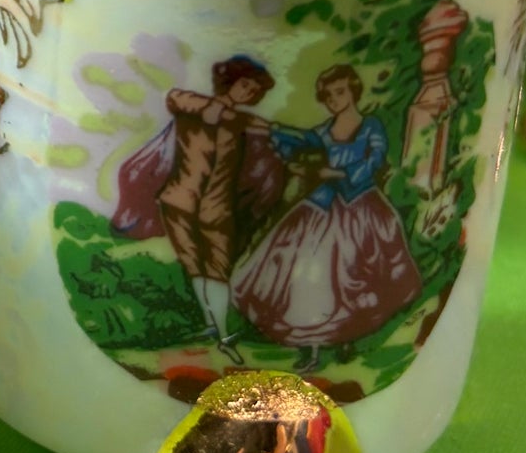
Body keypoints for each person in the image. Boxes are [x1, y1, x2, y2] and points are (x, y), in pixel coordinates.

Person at [230, 64, 423, 359]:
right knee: (300, 258)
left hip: (361, 202)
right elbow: (300, 143)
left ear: (353, 91)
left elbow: (374, 159)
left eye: (340, 92)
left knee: (350, 261)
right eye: (328, 95)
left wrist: (337, 174)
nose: (334, 100)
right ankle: (310, 336)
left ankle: (348, 333)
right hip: (322, 203)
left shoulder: (370, 126)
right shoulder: (322, 132)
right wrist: (272, 132)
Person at [112, 55, 286, 360]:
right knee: (194, 264)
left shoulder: (240, 122)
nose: (248, 93)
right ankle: (214, 328)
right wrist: (230, 114)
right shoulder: (191, 103)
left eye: (253, 91)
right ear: (230, 81)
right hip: (180, 200)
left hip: (217, 206)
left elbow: (264, 130)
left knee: (217, 268)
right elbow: (177, 99)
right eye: (245, 84)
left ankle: (222, 333)